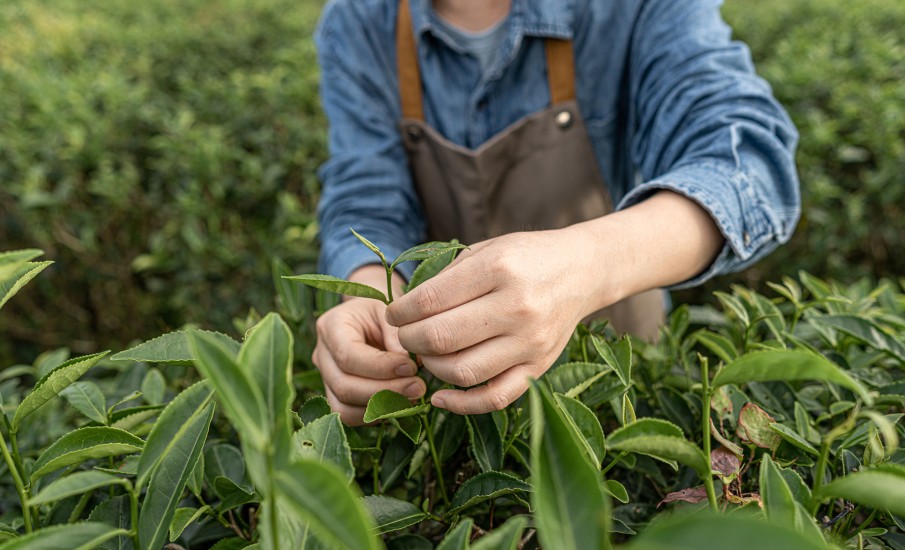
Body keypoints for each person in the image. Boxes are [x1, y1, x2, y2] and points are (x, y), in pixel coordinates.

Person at [312, 0, 800, 425]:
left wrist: (587, 265)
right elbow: (366, 193)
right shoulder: (358, 20)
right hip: (450, 401)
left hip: (619, 381)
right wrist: (373, 296)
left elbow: (749, 165)